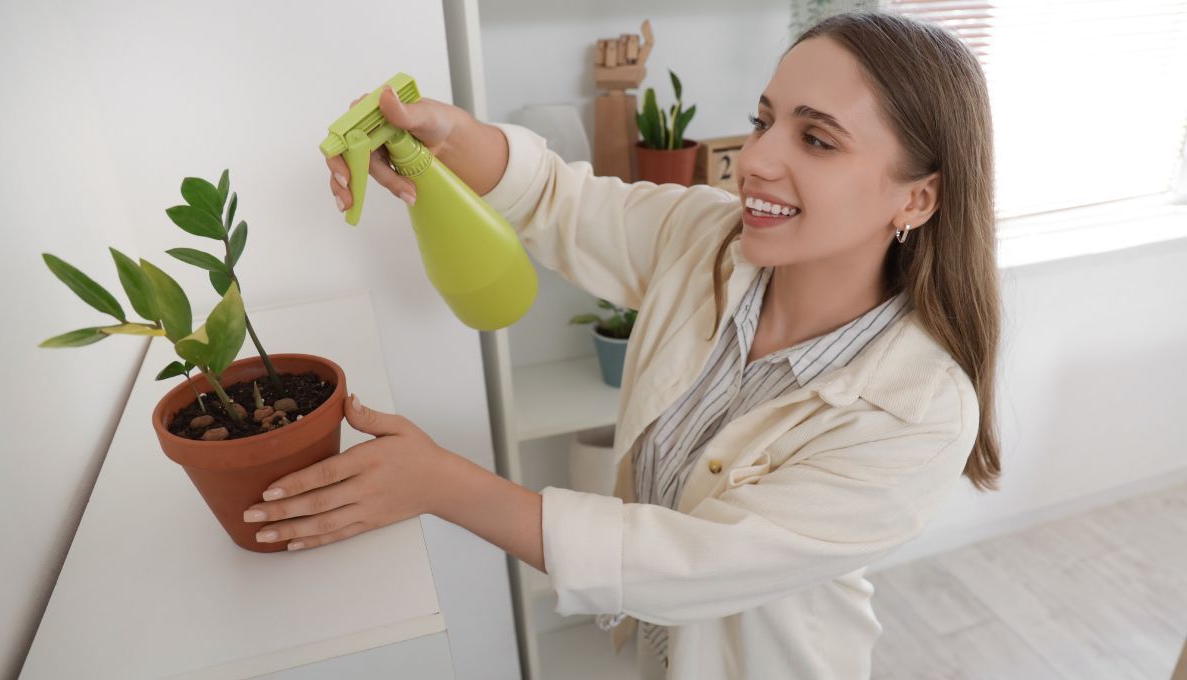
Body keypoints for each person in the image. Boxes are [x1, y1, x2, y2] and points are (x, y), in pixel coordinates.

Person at [247, 9, 1002, 679]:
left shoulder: (917, 411)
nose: (759, 158)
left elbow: (679, 563)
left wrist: (440, 483)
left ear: (918, 197)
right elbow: (561, 202)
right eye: (763, 119)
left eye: (816, 139)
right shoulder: (710, 240)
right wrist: (444, 137)